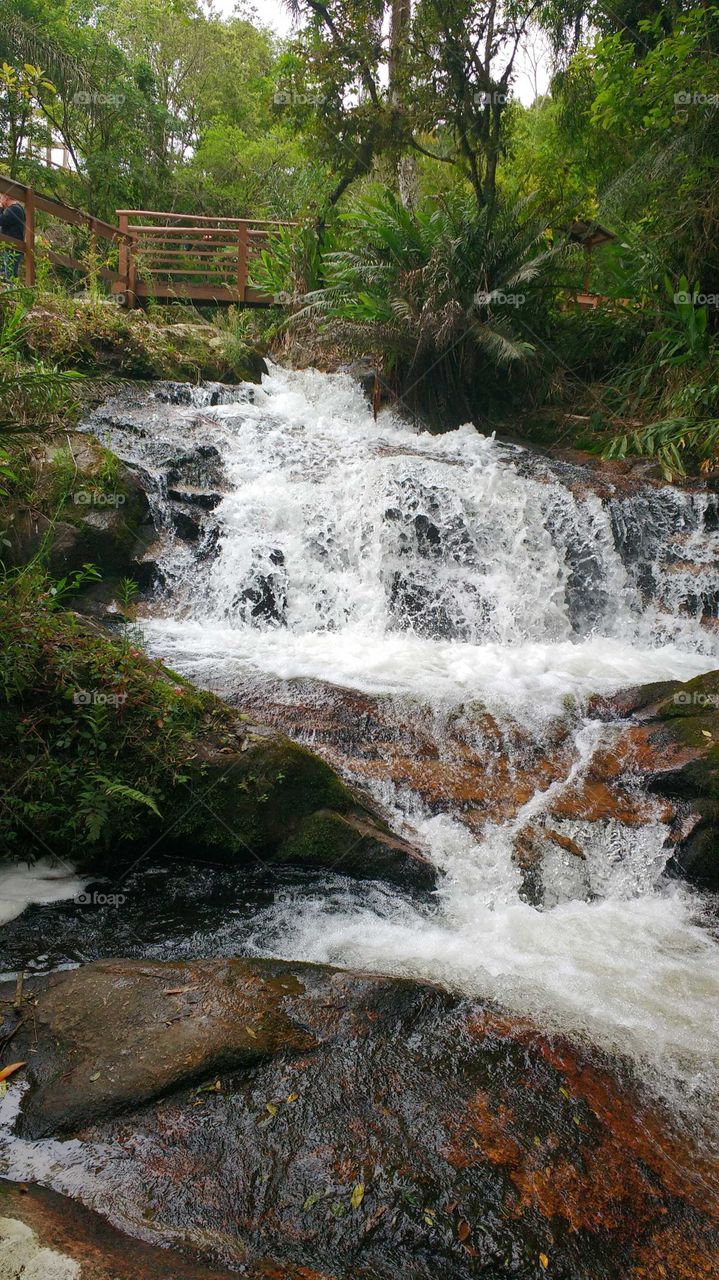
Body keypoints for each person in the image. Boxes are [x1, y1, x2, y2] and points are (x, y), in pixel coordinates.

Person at [0, 193, 26, 281]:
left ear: (6, 197)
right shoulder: (15, 209)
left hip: (13, 249)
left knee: (10, 278)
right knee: (6, 276)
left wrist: (0, 207)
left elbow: (1, 221)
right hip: (10, 247)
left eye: (1, 197)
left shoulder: (14, 210)